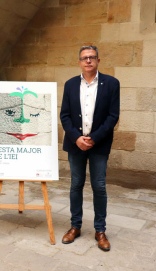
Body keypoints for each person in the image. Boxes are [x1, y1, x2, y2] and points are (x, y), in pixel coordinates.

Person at [60, 45, 120, 251]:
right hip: (75, 144)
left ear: (98, 61)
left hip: (99, 144)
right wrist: (77, 138)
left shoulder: (111, 83)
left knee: (99, 186)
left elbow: (113, 116)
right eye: (84, 58)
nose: (88, 61)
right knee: (76, 185)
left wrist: (93, 138)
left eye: (92, 57)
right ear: (79, 62)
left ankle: (100, 230)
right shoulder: (69, 85)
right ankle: (75, 226)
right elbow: (65, 116)